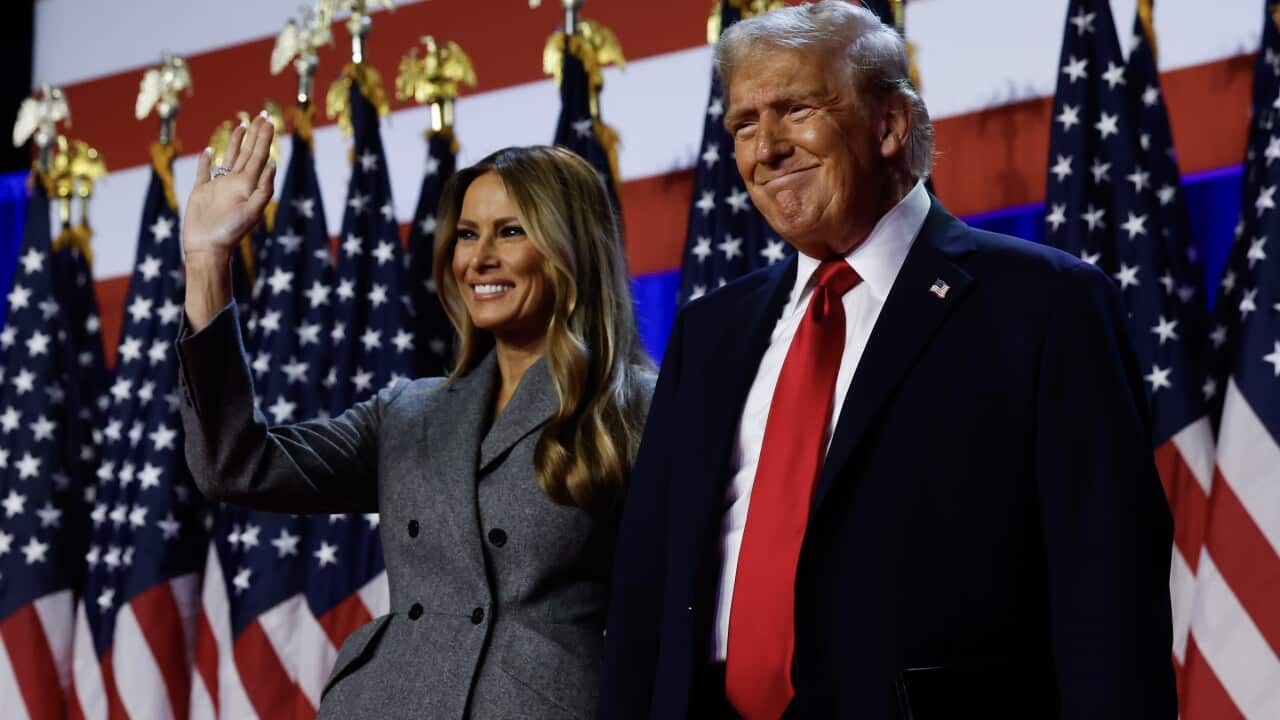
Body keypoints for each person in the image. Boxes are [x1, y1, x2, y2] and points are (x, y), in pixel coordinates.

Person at [598, 3, 1176, 719]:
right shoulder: (709, 332)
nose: (764, 148)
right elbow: (645, 590)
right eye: (744, 124)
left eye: (796, 109)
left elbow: (1108, 589)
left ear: (890, 124)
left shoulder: (1046, 306)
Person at [177, 116, 655, 719]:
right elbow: (234, 465)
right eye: (465, 234)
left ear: (570, 249)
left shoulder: (642, 407)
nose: (478, 258)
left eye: (510, 232)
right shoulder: (407, 412)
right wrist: (208, 261)